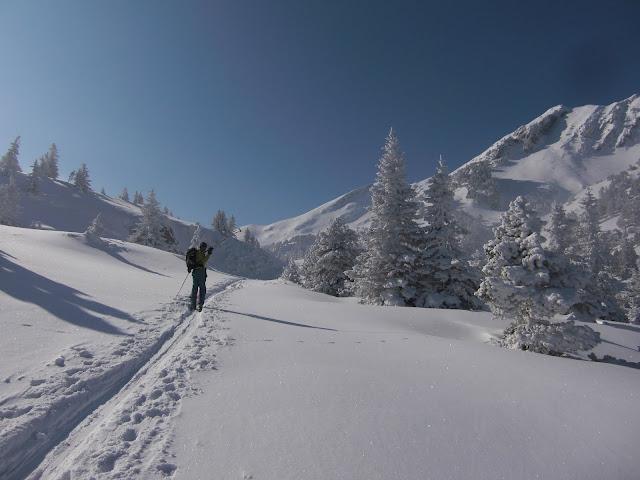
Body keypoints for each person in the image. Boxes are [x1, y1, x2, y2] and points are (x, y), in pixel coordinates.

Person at [189, 241, 213, 311]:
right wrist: (208, 254)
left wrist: (207, 253)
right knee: (202, 289)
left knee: (195, 288)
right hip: (201, 272)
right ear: (203, 247)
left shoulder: (197, 252)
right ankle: (200, 304)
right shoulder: (200, 253)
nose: (204, 248)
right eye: (204, 247)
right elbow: (203, 262)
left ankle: (193, 305)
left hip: (195, 273)